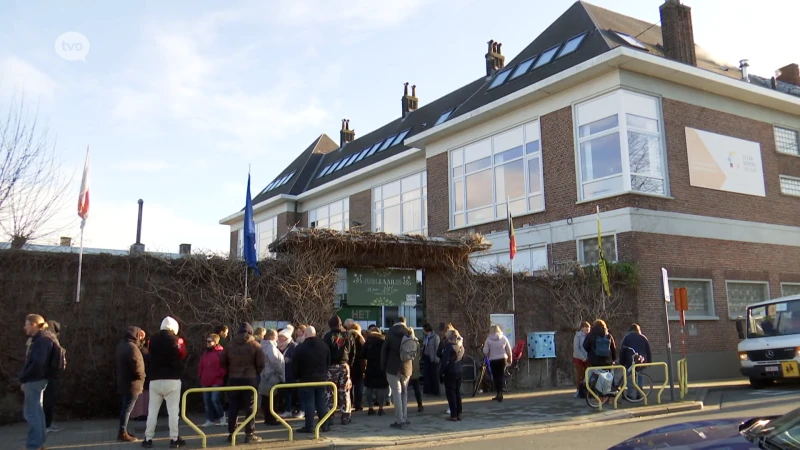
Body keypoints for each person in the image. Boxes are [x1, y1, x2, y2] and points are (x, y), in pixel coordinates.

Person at [143, 316, 188, 449]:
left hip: (155, 380)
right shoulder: (178, 340)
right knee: (173, 411)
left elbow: (148, 352)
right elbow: (183, 354)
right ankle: (174, 439)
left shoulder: (153, 340)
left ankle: (148, 438)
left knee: (152, 411)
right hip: (172, 379)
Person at [220, 322, 265, 443]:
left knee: (233, 406)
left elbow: (222, 361)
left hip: (234, 378)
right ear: (250, 332)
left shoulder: (230, 345)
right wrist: (255, 373)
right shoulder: (255, 345)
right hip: (250, 379)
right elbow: (261, 363)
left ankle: (232, 433)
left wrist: (230, 370)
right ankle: (249, 433)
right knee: (250, 406)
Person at [19, 314, 56, 450]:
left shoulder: (41, 340)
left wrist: (24, 376)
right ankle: (39, 443)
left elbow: (38, 362)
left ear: (34, 325)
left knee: (31, 413)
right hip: (40, 380)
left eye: (26, 324)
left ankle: (33, 445)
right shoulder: (46, 337)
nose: (24, 327)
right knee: (38, 412)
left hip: (34, 380)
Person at [292, 326, 331, 434]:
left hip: (306, 379)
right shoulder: (324, 346)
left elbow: (295, 365)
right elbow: (328, 362)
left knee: (309, 403)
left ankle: (309, 426)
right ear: (315, 333)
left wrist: (297, 377)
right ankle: (325, 425)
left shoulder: (300, 348)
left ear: (305, 334)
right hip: (321, 379)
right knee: (321, 402)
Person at [322, 316, 355, 425]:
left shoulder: (327, 336)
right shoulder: (348, 335)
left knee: (329, 392)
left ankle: (329, 416)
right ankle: (346, 416)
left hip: (331, 367)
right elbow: (352, 352)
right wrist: (349, 365)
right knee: (345, 391)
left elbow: (325, 353)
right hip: (344, 365)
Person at [116, 326, 146, 442]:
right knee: (127, 409)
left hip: (124, 381)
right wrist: (142, 376)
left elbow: (137, 348)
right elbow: (137, 366)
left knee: (125, 408)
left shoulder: (122, 346)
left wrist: (141, 340)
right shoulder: (131, 348)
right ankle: (122, 432)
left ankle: (123, 431)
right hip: (132, 383)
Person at [381, 317, 412, 429]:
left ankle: (399, 420)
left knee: (396, 393)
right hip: (407, 367)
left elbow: (384, 351)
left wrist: (383, 366)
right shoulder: (409, 333)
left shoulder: (390, 334)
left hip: (392, 368)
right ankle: (405, 417)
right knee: (404, 393)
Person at [198, 333, 226, 427]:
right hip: (205, 380)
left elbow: (224, 366)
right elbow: (201, 365)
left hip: (216, 380)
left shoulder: (220, 352)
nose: (207, 343)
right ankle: (210, 419)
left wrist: (219, 374)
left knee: (214, 399)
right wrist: (200, 375)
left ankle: (222, 416)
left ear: (215, 342)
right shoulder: (205, 353)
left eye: (209, 341)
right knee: (207, 401)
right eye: (207, 341)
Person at [258, 329, 285, 426]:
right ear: (272, 337)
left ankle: (268, 418)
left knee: (266, 399)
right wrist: (281, 373)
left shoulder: (262, 346)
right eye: (276, 336)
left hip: (264, 376)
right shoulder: (270, 346)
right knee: (273, 399)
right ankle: (272, 419)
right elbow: (275, 361)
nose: (277, 338)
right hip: (272, 376)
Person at [620, 324, 652, 400]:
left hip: (630, 361)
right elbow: (648, 351)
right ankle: (639, 394)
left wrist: (622, 362)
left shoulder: (627, 338)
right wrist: (649, 362)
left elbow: (623, 350)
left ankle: (629, 394)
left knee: (630, 378)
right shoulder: (643, 337)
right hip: (641, 361)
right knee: (640, 377)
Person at [43, 320, 64, 434]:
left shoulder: (43, 338)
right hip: (51, 375)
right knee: (48, 400)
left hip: (48, 374)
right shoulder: (50, 339)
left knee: (45, 400)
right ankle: (47, 424)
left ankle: (46, 424)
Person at [362, 325, 388, 416]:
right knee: (381, 388)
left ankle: (370, 408)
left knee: (369, 388)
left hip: (370, 368)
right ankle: (381, 408)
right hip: (382, 368)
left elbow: (363, 355)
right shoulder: (384, 341)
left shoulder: (368, 342)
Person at [483, 324, 512, 403]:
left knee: (495, 377)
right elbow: (509, 350)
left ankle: (498, 393)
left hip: (493, 360)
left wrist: (488, 354)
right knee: (501, 376)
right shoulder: (503, 338)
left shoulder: (488, 339)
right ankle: (500, 393)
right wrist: (510, 359)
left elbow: (485, 351)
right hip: (503, 359)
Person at [440, 329, 464, 421]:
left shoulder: (448, 347)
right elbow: (462, 359)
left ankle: (453, 415)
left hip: (450, 372)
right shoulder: (461, 347)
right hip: (459, 371)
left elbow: (445, 362)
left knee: (451, 393)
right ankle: (459, 413)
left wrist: (441, 373)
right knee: (457, 392)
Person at [277, 326, 300, 419]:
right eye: (279, 337)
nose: (280, 339)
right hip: (282, 373)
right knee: (286, 392)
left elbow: (297, 359)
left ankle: (300, 409)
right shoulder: (278, 346)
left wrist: (289, 360)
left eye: (282, 337)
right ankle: (288, 410)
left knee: (296, 392)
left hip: (291, 372)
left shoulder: (293, 346)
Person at [347, 322, 366, 412]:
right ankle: (358, 405)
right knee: (359, 385)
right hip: (359, 364)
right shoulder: (361, 339)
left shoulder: (347, 337)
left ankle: (349, 403)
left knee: (348, 386)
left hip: (349, 364)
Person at [407, 328, 424, 412]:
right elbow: (419, 354)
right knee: (416, 387)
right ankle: (420, 405)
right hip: (415, 365)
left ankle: (402, 405)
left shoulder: (404, 342)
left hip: (406, 365)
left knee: (404, 388)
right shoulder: (416, 342)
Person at [422, 323, 440, 396]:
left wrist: (436, 359)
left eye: (423, 329)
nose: (423, 331)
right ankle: (428, 390)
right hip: (427, 357)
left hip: (433, 358)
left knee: (434, 375)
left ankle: (435, 391)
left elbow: (437, 348)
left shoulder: (435, 337)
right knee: (427, 374)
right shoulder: (426, 337)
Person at [573, 322, 590, 398]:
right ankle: (578, 391)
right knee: (580, 375)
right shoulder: (578, 336)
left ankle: (587, 391)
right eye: (586, 328)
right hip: (579, 358)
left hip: (588, 358)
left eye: (589, 328)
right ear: (582, 328)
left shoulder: (590, 336)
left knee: (588, 375)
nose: (588, 330)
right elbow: (576, 348)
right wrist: (582, 357)